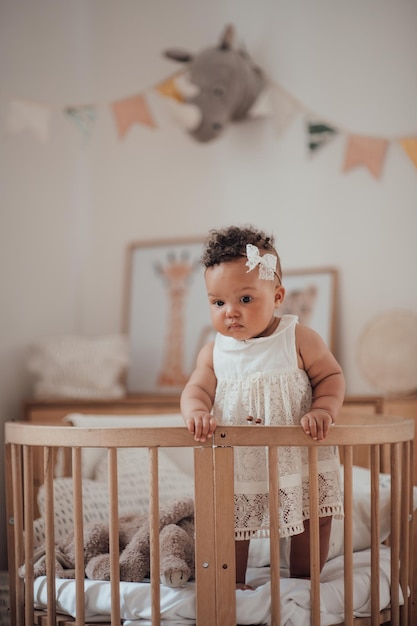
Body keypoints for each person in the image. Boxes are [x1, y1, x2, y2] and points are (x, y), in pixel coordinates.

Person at [181, 225, 345, 587]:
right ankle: (232, 584)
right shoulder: (214, 351)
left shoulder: (297, 338)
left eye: (245, 299)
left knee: (311, 516)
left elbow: (331, 376)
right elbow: (196, 389)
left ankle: (304, 581)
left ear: (278, 295)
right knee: (232, 520)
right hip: (239, 459)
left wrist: (323, 410)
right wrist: (196, 411)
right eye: (218, 302)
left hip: (299, 453)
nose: (230, 313)